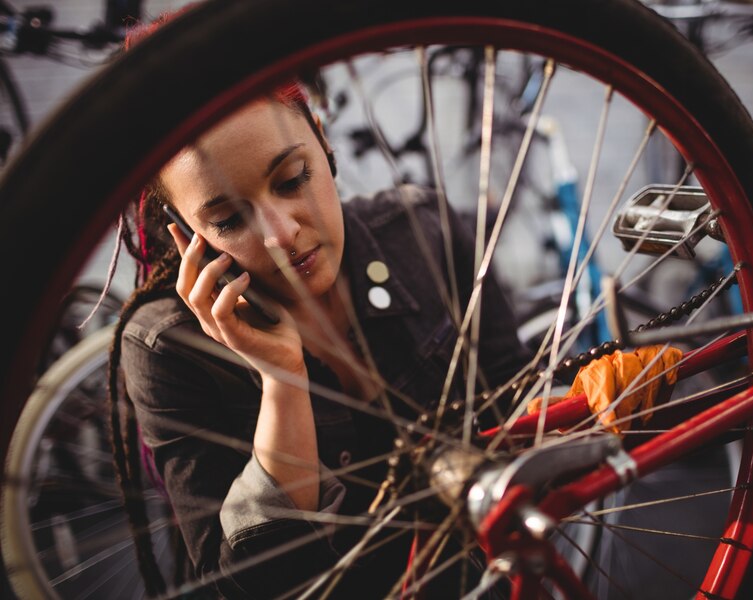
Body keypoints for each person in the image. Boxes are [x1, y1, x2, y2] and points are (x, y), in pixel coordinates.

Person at [104, 16, 529, 600]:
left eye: (292, 178)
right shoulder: (166, 349)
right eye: (229, 220)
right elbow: (246, 584)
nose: (281, 233)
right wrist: (282, 379)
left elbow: (517, 406)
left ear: (324, 144)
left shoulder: (420, 230)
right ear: (184, 232)